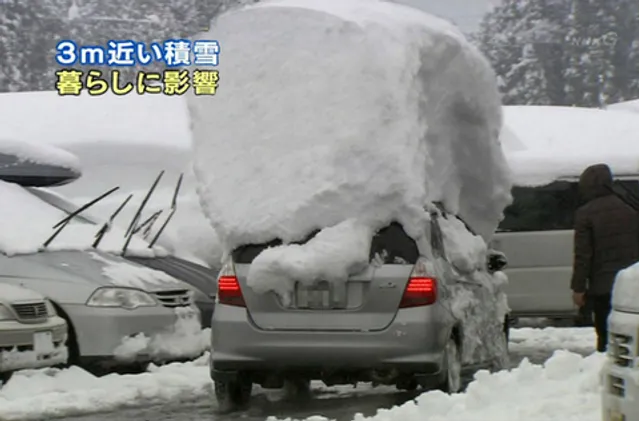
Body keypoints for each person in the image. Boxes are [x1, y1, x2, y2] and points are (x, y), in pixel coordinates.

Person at [570, 163, 639, 352]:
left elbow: (583, 255)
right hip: (629, 287)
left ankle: (604, 369)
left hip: (602, 286)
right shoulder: (629, 209)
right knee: (628, 334)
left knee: (605, 335)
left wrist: (578, 288)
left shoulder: (585, 214)